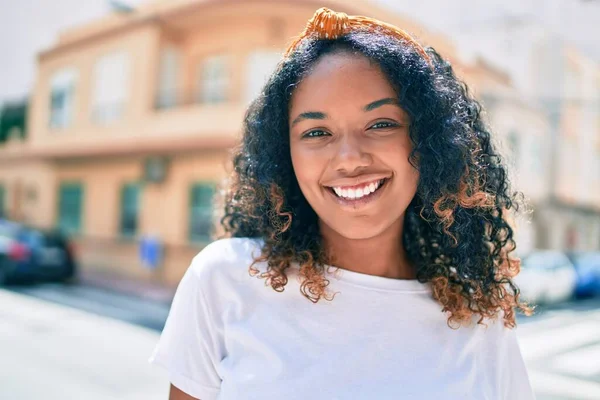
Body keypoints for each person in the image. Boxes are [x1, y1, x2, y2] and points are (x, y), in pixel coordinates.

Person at [149, 7, 537, 400]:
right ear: (285, 155)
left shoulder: (479, 319)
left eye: (381, 124)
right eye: (317, 131)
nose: (350, 158)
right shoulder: (224, 280)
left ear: (430, 142)